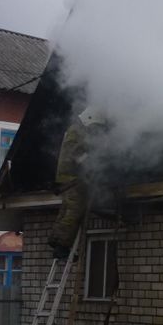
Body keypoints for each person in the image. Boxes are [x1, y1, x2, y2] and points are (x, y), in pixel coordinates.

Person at [48, 106, 106, 259]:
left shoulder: (77, 130)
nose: (95, 130)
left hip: (68, 179)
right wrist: (89, 165)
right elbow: (74, 152)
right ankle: (62, 247)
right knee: (75, 210)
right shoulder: (76, 130)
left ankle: (55, 239)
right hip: (72, 178)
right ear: (89, 119)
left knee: (66, 209)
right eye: (95, 126)